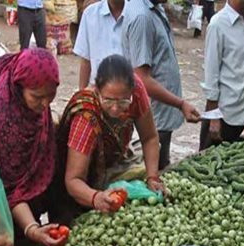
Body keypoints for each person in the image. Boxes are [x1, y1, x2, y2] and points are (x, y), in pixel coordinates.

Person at [0, 48, 66, 246]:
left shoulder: (27, 103)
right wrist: (31, 228)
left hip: (21, 203)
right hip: (2, 204)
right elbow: (9, 189)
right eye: (38, 96)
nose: (45, 103)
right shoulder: (4, 125)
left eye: (51, 95)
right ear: (18, 87)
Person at [58, 55, 166, 212]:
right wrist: (95, 198)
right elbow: (73, 180)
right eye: (108, 100)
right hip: (76, 186)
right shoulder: (86, 116)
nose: (115, 108)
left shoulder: (136, 92)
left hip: (112, 163)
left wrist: (152, 177)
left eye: (123, 102)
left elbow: (149, 138)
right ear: (97, 90)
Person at [121, 0, 201, 170]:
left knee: (160, 165)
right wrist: (180, 104)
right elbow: (141, 77)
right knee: (154, 170)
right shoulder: (141, 17)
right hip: (154, 116)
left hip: (161, 113)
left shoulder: (155, 8)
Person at [200, 0, 244, 149]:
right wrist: (214, 117)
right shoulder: (218, 25)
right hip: (224, 115)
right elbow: (211, 75)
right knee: (212, 163)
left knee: (234, 162)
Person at [74, 0, 125, 90]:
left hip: (128, 91)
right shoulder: (90, 15)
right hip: (97, 90)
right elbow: (86, 60)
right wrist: (82, 94)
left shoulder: (136, 16)